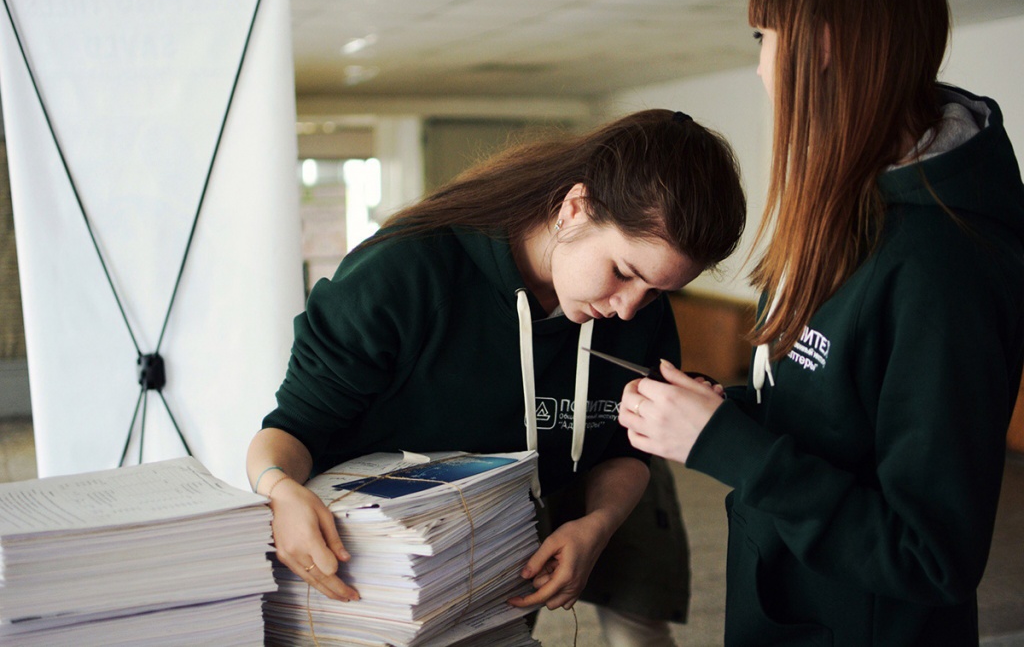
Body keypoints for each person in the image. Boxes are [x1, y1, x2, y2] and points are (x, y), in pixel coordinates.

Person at [618, 0, 1024, 645]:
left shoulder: (943, 264)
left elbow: (929, 558)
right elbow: (836, 417)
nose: (758, 68)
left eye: (762, 36)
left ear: (822, 43)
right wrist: (723, 414)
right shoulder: (853, 212)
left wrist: (726, 447)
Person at [246, 109, 747, 645]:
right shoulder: (404, 272)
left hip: (500, 550)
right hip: (372, 567)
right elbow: (290, 430)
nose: (628, 308)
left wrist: (596, 524)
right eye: (624, 272)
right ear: (574, 209)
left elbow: (626, 450)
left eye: (656, 290)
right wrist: (278, 491)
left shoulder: (636, 310)